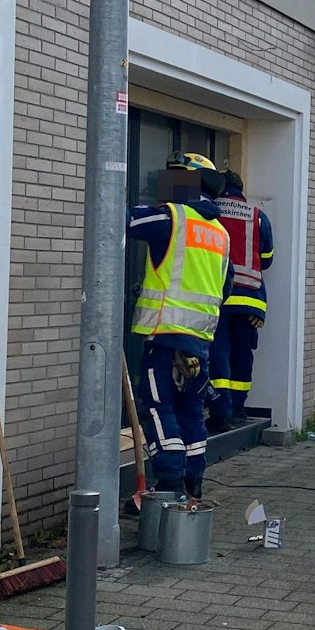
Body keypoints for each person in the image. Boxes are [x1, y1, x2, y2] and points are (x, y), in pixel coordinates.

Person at [127, 153, 230, 499]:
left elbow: (120, 220)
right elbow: (224, 288)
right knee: (191, 410)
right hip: (200, 342)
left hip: (165, 336)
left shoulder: (172, 216)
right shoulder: (221, 234)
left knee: (157, 407)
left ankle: (170, 484)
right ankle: (193, 483)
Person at [209, 170, 274, 429]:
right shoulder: (257, 216)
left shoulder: (212, 212)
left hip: (218, 297)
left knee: (218, 354)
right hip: (250, 301)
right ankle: (238, 409)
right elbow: (266, 259)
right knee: (242, 355)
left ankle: (221, 412)